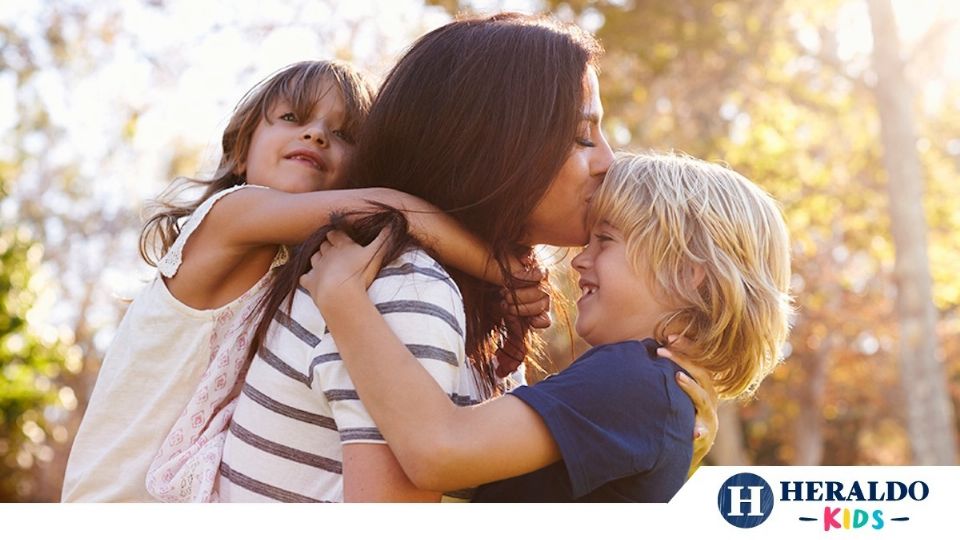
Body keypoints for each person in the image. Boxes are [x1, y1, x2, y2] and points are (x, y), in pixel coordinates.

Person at [216, 14, 719, 503]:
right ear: (493, 146)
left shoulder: (455, 297)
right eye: (582, 136)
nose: (608, 161)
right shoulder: (405, 289)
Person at [61, 59, 527, 502]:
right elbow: (390, 209)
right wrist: (505, 273)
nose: (316, 134)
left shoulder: (298, 274)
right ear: (241, 153)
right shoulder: (229, 216)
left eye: (343, 134)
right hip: (119, 501)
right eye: (292, 116)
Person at [302, 151, 793, 502]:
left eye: (605, 240)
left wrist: (342, 297)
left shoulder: (634, 380)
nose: (580, 261)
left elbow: (438, 450)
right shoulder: (653, 394)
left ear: (688, 273)